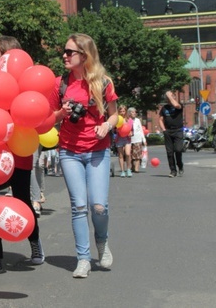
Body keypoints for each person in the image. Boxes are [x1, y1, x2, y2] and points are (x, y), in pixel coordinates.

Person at [49, 33, 118, 279]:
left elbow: (113, 115)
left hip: (97, 150)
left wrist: (106, 127)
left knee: (98, 206)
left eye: (70, 52)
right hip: (69, 151)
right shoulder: (59, 84)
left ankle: (102, 241)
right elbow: (48, 118)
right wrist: (61, 113)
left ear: (84, 55)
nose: (64, 56)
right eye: (65, 52)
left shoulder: (104, 82)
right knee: (78, 206)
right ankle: (83, 259)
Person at [0, 36, 44, 277]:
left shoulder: (24, 82)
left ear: (6, 55)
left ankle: (35, 243)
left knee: (22, 199)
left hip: (19, 148)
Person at [158, 91, 184, 178]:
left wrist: (170, 95)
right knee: (170, 152)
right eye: (167, 97)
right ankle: (173, 171)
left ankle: (180, 165)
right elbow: (160, 119)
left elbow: (176, 105)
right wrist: (164, 129)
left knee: (178, 150)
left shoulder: (179, 105)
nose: (168, 98)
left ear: (174, 97)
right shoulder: (164, 108)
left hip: (178, 131)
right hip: (168, 131)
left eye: (171, 97)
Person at [114, 105, 132, 177]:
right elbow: (114, 129)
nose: (122, 112)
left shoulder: (129, 119)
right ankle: (122, 171)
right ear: (118, 112)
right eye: (120, 111)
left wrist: (131, 132)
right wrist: (116, 130)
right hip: (119, 138)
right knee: (121, 155)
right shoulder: (117, 119)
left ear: (126, 111)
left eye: (123, 111)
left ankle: (128, 169)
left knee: (127, 154)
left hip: (127, 138)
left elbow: (131, 129)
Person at [129, 108, 147, 172]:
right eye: (132, 112)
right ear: (129, 113)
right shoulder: (127, 120)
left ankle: (136, 168)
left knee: (138, 155)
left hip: (138, 139)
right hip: (130, 139)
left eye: (135, 112)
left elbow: (141, 130)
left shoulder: (137, 120)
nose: (134, 113)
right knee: (130, 155)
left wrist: (144, 139)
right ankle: (132, 166)